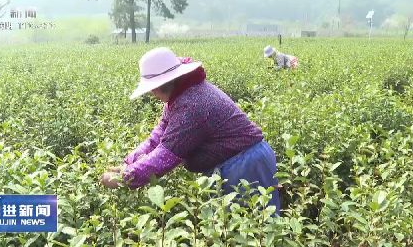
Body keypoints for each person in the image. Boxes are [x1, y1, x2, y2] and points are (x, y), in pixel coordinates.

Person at [101, 47, 280, 214]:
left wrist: (125, 178)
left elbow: (165, 156)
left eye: (152, 88)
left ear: (163, 83)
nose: (151, 93)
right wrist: (128, 163)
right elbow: (158, 136)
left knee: (255, 228)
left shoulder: (191, 106)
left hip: (246, 165)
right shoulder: (180, 96)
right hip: (237, 163)